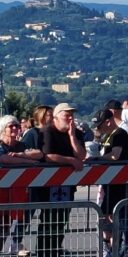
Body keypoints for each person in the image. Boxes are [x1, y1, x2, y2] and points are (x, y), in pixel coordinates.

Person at [39, 103, 86, 257]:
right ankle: (45, 251)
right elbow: (48, 156)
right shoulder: (48, 131)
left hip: (68, 185)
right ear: (56, 117)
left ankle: (56, 248)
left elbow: (81, 156)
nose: (70, 118)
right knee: (48, 220)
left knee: (63, 218)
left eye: (72, 114)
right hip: (48, 184)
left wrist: (72, 137)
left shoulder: (76, 133)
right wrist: (70, 161)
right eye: (66, 115)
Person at [91, 109, 128, 255]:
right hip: (110, 182)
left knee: (112, 215)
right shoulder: (109, 135)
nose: (98, 128)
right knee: (107, 214)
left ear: (108, 121)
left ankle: (113, 247)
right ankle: (110, 247)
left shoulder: (119, 134)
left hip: (118, 183)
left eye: (100, 125)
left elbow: (115, 156)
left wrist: (97, 159)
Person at [0, 115, 43, 256]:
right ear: (3, 128)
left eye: (17, 126)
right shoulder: (0, 145)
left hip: (18, 192)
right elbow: (4, 158)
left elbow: (38, 153)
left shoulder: (21, 145)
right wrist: (28, 162)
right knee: (2, 224)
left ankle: (15, 244)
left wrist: (22, 155)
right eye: (11, 126)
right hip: (2, 193)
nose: (14, 128)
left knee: (19, 218)